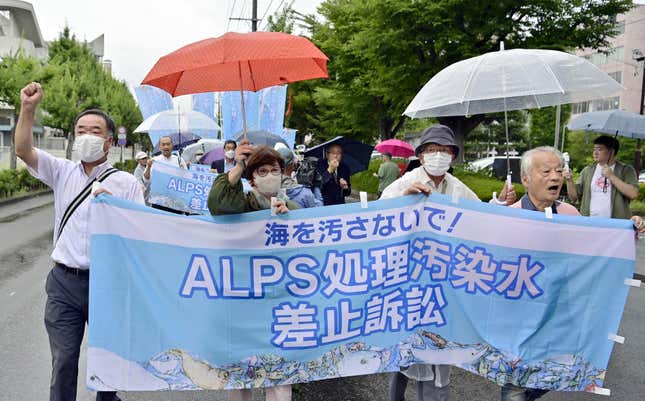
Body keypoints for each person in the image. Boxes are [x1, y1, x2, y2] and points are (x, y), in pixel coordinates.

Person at [15, 82, 144, 401]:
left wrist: (116, 207)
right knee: (64, 361)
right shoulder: (61, 172)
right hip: (64, 283)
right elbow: (23, 150)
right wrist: (28, 110)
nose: (87, 135)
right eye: (81, 129)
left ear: (109, 141)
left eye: (95, 131)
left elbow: (142, 234)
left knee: (106, 366)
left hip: (109, 284)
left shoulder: (126, 183)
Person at [381, 124, 514, 401]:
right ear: (421, 155)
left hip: (443, 282)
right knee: (405, 350)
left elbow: (480, 216)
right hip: (409, 279)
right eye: (432, 150)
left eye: (444, 150)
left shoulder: (457, 188)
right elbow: (378, 220)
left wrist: (500, 202)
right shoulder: (404, 184)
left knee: (436, 347)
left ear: (453, 156)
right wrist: (404, 204)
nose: (438, 155)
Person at [207, 140, 296, 401]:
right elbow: (217, 203)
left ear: (284, 174)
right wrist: (239, 165)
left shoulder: (294, 209)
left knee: (280, 378)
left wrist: (289, 218)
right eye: (261, 171)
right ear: (252, 179)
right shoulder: (241, 205)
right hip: (243, 303)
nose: (270, 176)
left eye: (275, 170)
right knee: (240, 374)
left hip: (281, 304)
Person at [564, 135, 639, 219]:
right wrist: (569, 180)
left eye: (600, 149)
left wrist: (611, 176)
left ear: (611, 151)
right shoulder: (588, 170)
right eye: (594, 149)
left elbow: (633, 194)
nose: (595, 153)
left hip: (616, 224)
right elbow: (573, 197)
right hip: (589, 221)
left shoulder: (626, 170)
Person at [275, 143, 322, 208]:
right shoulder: (305, 193)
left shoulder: (265, 193)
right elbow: (319, 211)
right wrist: (317, 185)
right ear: (294, 165)